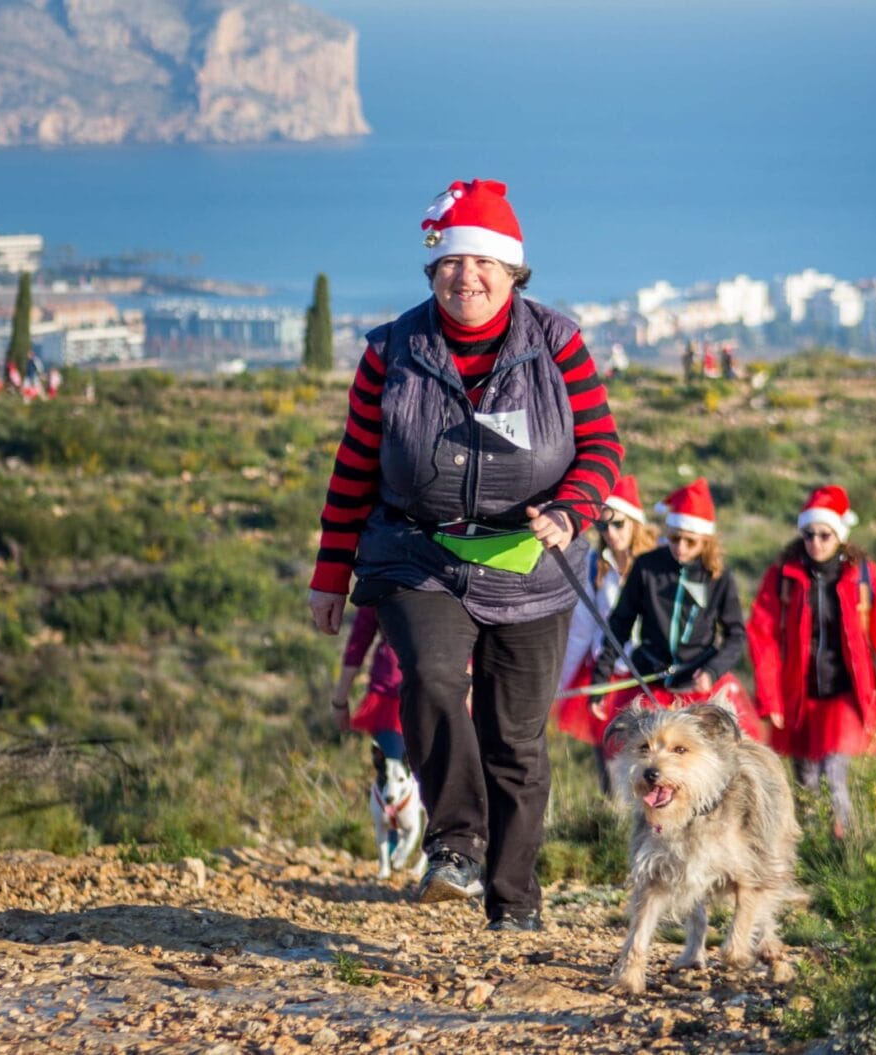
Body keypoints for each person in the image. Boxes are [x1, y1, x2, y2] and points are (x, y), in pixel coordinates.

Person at [308, 178, 623, 933]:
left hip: (530, 560)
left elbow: (602, 446)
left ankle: (513, 901)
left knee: (515, 738)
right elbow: (354, 466)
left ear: (514, 272)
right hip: (418, 551)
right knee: (432, 674)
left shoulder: (558, 342)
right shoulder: (391, 350)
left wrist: (572, 509)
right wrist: (331, 573)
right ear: (431, 271)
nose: (467, 276)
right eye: (452, 262)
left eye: (484, 262)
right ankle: (455, 844)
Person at [747, 485, 876, 839]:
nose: (815, 542)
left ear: (840, 536)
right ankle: (814, 850)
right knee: (805, 781)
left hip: (846, 694)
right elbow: (762, 638)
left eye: (824, 535)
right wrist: (769, 699)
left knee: (834, 770)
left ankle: (844, 847)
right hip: (799, 697)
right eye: (808, 534)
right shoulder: (783, 576)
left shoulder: (865, 576)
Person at [592, 478, 763, 740]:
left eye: (689, 541)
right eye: (674, 538)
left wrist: (712, 670)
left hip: (698, 687)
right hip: (649, 683)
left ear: (705, 541)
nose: (680, 547)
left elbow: (736, 635)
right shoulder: (647, 566)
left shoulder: (718, 576)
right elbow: (619, 624)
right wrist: (600, 680)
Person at [553, 474, 658, 789]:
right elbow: (581, 630)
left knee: (651, 760)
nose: (610, 534)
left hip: (647, 672)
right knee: (611, 765)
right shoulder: (595, 566)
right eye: (603, 526)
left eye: (618, 524)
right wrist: (562, 684)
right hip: (607, 672)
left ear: (635, 522)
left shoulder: (656, 564)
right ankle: (611, 828)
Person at [330, 605, 407, 763]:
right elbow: (358, 642)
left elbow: (358, 642)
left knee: (396, 776)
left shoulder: (381, 580)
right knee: (398, 776)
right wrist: (340, 701)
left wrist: (340, 701)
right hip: (392, 700)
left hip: (394, 693)